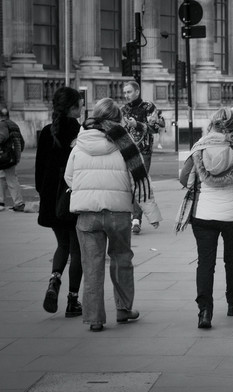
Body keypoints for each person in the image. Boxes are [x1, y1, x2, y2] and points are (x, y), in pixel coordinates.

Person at [65, 98, 162, 332]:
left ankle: (95, 319)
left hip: (87, 214)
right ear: (117, 120)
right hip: (118, 213)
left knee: (92, 265)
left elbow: (70, 177)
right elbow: (138, 181)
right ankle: (123, 309)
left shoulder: (79, 144)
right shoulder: (124, 144)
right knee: (121, 261)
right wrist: (152, 213)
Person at [176, 107, 233, 329]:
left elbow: (184, 179)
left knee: (205, 263)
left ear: (212, 125)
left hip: (203, 214)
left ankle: (205, 311)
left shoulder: (198, 149)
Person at [35, 87, 84, 317]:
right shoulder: (80, 132)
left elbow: (38, 173)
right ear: (72, 108)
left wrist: (45, 196)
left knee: (62, 245)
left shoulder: (46, 132)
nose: (82, 109)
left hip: (51, 200)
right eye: (80, 105)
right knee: (77, 250)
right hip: (73, 198)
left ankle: (54, 280)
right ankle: (73, 301)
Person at [121, 81, 165, 235]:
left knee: (139, 184)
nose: (126, 95)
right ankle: (129, 216)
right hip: (126, 151)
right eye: (125, 92)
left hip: (143, 151)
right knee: (126, 185)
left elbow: (158, 127)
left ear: (137, 92)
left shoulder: (148, 107)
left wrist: (137, 124)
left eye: (129, 92)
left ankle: (136, 219)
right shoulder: (123, 110)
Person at [0, 107, 25, 212]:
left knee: (6, 178)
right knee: (8, 177)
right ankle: (17, 203)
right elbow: (21, 140)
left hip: (5, 156)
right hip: (13, 155)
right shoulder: (13, 124)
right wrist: (18, 154)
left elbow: (1, 137)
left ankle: (16, 202)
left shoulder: (2, 124)